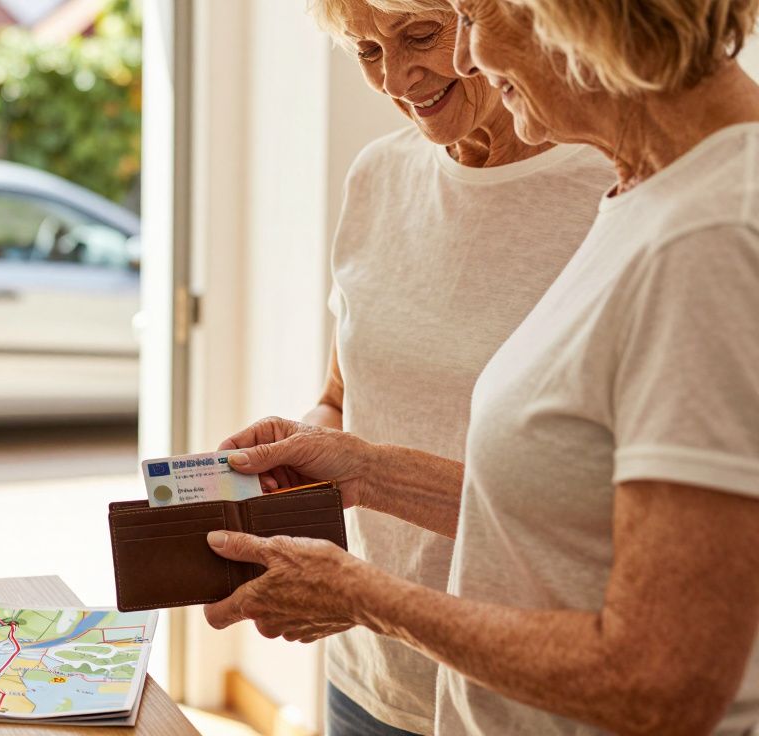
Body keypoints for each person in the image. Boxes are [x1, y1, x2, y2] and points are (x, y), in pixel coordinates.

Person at [206, 0, 759, 732]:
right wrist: (367, 471)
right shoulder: (645, 195)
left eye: (470, 17)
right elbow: (555, 512)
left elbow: (660, 676)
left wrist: (364, 596)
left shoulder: (713, 234)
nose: (469, 57)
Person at [294, 0, 611, 732]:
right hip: (371, 671)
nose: (398, 78)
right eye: (368, 51)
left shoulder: (610, 193)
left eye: (421, 36)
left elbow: (609, 514)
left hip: (525, 685)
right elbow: (343, 398)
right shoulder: (377, 176)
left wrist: (369, 471)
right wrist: (292, 460)